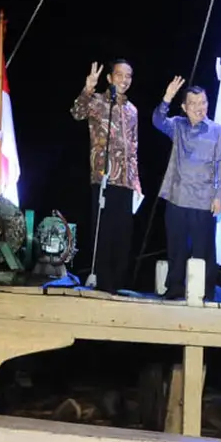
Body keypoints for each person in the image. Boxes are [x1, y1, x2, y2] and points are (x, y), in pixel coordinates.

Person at [152, 76, 221, 301]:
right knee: (176, 248)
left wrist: (218, 196)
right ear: (184, 107)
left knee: (203, 250)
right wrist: (167, 98)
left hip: (204, 200)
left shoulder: (216, 130)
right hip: (177, 197)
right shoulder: (177, 125)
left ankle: (205, 292)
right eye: (193, 104)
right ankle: (175, 288)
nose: (199, 108)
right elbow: (157, 120)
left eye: (203, 102)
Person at [71, 59, 141, 293]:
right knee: (104, 232)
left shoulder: (133, 111)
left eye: (128, 76)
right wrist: (88, 88)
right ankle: (103, 283)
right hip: (103, 178)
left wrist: (136, 181)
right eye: (119, 75)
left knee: (124, 235)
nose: (124, 80)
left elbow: (134, 148)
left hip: (126, 182)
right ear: (110, 78)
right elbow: (77, 113)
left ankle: (118, 285)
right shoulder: (99, 102)